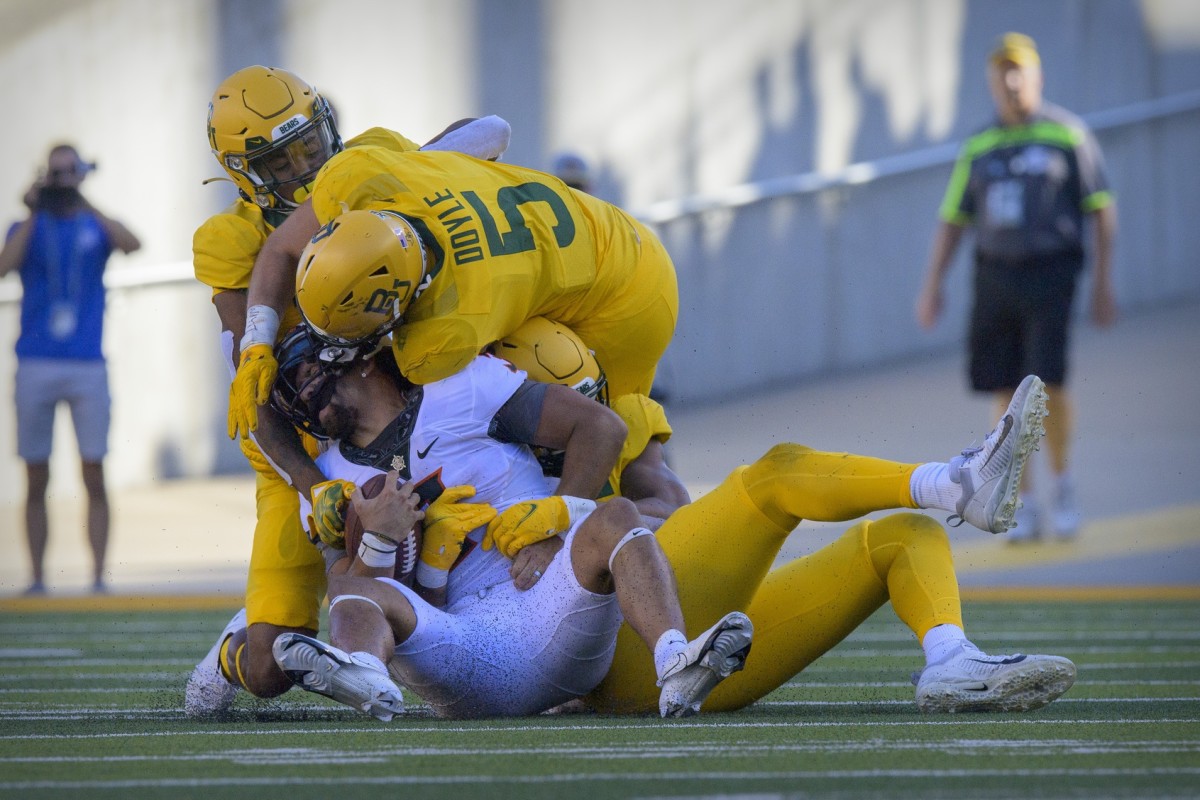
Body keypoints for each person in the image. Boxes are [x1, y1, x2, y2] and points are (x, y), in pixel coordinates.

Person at [279, 317, 1075, 717]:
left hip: (640, 610)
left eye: (573, 387)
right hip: (573, 634)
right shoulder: (393, 446)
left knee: (901, 536)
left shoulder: (587, 414)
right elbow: (355, 588)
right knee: (776, 474)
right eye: (547, 388)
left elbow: (662, 502)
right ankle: (953, 480)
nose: (562, 400)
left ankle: (952, 658)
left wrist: (565, 514)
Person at [184, 64, 512, 717]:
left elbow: (492, 131)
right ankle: (231, 650)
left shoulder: (364, 161)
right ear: (243, 171)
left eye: (311, 143)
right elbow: (260, 391)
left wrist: (411, 164)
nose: (306, 164)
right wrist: (311, 488)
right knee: (270, 665)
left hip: (386, 423)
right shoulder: (232, 241)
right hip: (297, 445)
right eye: (282, 159)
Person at [267, 325, 753, 720]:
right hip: (461, 644)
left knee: (617, 514)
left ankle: (675, 662)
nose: (307, 398)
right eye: (298, 393)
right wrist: (384, 543)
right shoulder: (331, 480)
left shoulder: (460, 387)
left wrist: (557, 523)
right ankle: (366, 675)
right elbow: (345, 591)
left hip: (554, 601)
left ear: (362, 357)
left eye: (311, 374)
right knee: (354, 591)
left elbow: (600, 427)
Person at [225, 137, 680, 444]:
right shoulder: (365, 175)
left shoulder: (445, 333)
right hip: (603, 224)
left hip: (632, 293)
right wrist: (257, 342)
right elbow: (284, 248)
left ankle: (608, 531)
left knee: (610, 434)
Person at [915, 32, 1118, 542]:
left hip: (1051, 272)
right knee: (1004, 389)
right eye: (1001, 72)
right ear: (990, 81)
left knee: (1046, 383)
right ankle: (1021, 499)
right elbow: (953, 218)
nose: (1010, 81)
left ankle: (1064, 485)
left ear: (1036, 76)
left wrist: (1104, 282)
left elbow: (1101, 208)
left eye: (1019, 70)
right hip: (994, 277)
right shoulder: (979, 145)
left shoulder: (1067, 136)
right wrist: (932, 283)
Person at [0, 143, 140, 595]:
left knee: (93, 469)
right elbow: (5, 266)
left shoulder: (92, 224)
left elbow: (131, 243)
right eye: (55, 173)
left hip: (86, 364)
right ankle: (38, 578)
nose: (62, 181)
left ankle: (99, 577)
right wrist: (38, 205)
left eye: (69, 172)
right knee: (35, 474)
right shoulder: (27, 226)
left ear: (80, 174)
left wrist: (81, 197)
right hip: (36, 361)